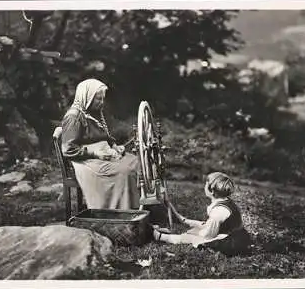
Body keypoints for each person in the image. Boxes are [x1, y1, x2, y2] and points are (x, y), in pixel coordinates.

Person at [61, 78, 140, 210]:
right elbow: (68, 150)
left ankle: (137, 207)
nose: (101, 102)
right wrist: (95, 153)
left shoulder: (94, 112)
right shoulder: (74, 117)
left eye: (103, 98)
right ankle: (118, 211)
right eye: (98, 99)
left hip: (103, 153)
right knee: (123, 172)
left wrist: (114, 145)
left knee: (136, 163)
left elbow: (103, 135)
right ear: (87, 97)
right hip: (86, 160)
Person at [153, 172, 253, 257]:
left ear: (212, 191)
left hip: (231, 243)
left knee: (190, 237)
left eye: (206, 184)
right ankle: (177, 230)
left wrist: (195, 233)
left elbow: (208, 234)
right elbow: (208, 224)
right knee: (194, 230)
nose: (204, 186)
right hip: (235, 235)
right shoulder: (225, 202)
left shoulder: (218, 211)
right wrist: (185, 221)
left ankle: (160, 237)